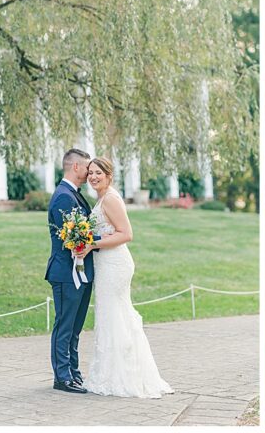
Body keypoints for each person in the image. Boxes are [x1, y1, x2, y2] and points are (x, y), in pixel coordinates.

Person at [77, 157, 173, 398]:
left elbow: (127, 234)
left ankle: (123, 377)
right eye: (90, 173)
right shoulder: (102, 198)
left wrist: (91, 244)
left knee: (115, 316)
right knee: (112, 316)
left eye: (98, 172)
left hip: (115, 264)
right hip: (106, 263)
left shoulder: (110, 198)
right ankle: (112, 373)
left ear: (109, 175)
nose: (93, 177)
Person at [45, 148, 96, 393]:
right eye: (87, 168)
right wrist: (105, 237)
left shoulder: (73, 194)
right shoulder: (64, 196)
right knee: (65, 326)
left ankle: (73, 373)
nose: (89, 173)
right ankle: (62, 377)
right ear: (75, 167)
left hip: (80, 271)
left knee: (75, 328)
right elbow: (75, 237)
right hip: (67, 272)